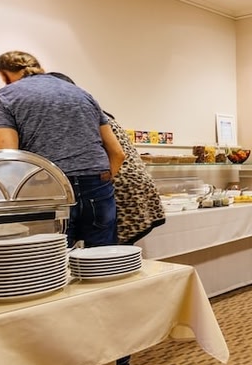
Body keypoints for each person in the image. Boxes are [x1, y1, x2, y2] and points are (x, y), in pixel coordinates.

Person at [0, 51, 125, 249]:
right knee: (103, 256)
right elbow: (118, 153)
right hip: (96, 183)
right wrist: (103, 179)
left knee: (51, 258)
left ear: (4, 75)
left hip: (46, 186)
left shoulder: (4, 96)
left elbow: (7, 157)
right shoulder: (82, 94)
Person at [47, 72, 165, 245]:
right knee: (113, 250)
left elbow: (118, 155)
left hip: (120, 186)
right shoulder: (96, 113)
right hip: (135, 183)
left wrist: (102, 182)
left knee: (109, 252)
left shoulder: (80, 116)